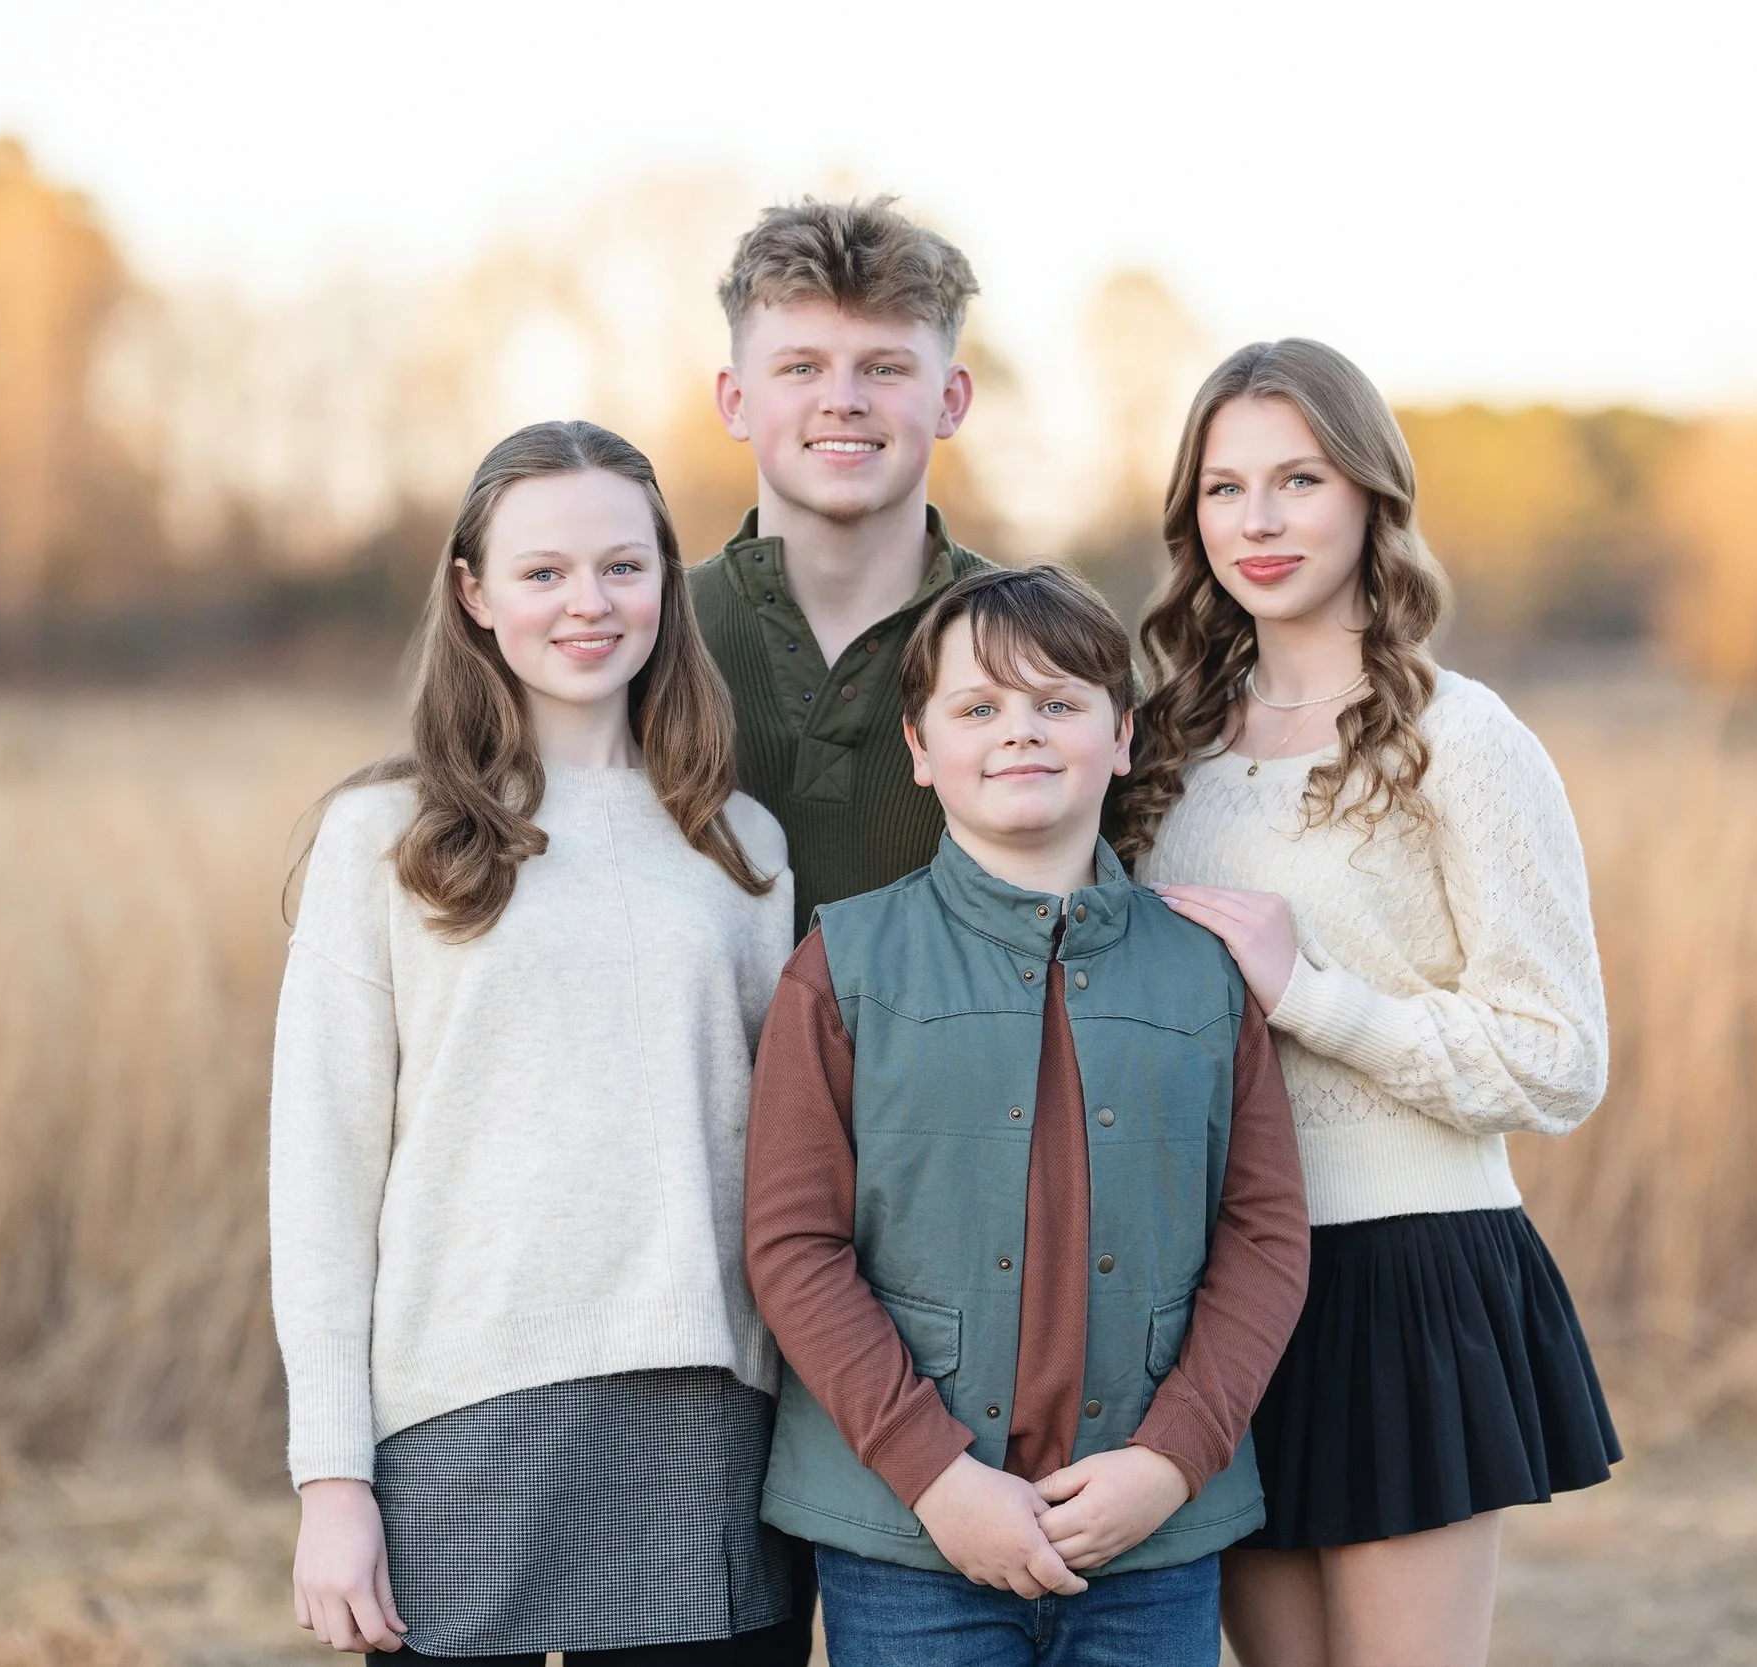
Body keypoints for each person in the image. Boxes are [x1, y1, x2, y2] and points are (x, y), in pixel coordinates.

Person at [1112, 339, 1621, 1667]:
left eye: (1300, 478)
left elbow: (1560, 1058)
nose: (1261, 521)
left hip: (1408, 1270)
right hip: (1219, 1287)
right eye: (1225, 488)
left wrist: (1317, 996)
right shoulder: (1159, 747)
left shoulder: (1465, 738)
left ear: (1372, 494)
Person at [271, 421, 811, 1665]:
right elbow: (322, 1175)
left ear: (669, 585)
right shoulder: (387, 838)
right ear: (473, 592)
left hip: (708, 1415)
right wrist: (330, 1480)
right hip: (457, 1418)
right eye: (544, 571)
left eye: (624, 566)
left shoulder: (743, 848)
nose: (589, 603)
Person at [743, 564, 1312, 1667]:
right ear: (918, 748)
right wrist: (937, 1476)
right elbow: (792, 1245)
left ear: (1122, 736)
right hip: (914, 1546)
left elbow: (1263, 1234)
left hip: (1149, 1543)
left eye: (1057, 703)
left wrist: (1170, 1460)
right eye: (979, 707)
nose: (1021, 732)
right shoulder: (843, 965)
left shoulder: (1204, 971)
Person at [691, 195, 993, 928]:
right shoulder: (646, 630)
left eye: (885, 368)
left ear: (950, 401)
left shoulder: (1045, 646)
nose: (843, 400)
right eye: (800, 367)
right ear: (735, 401)